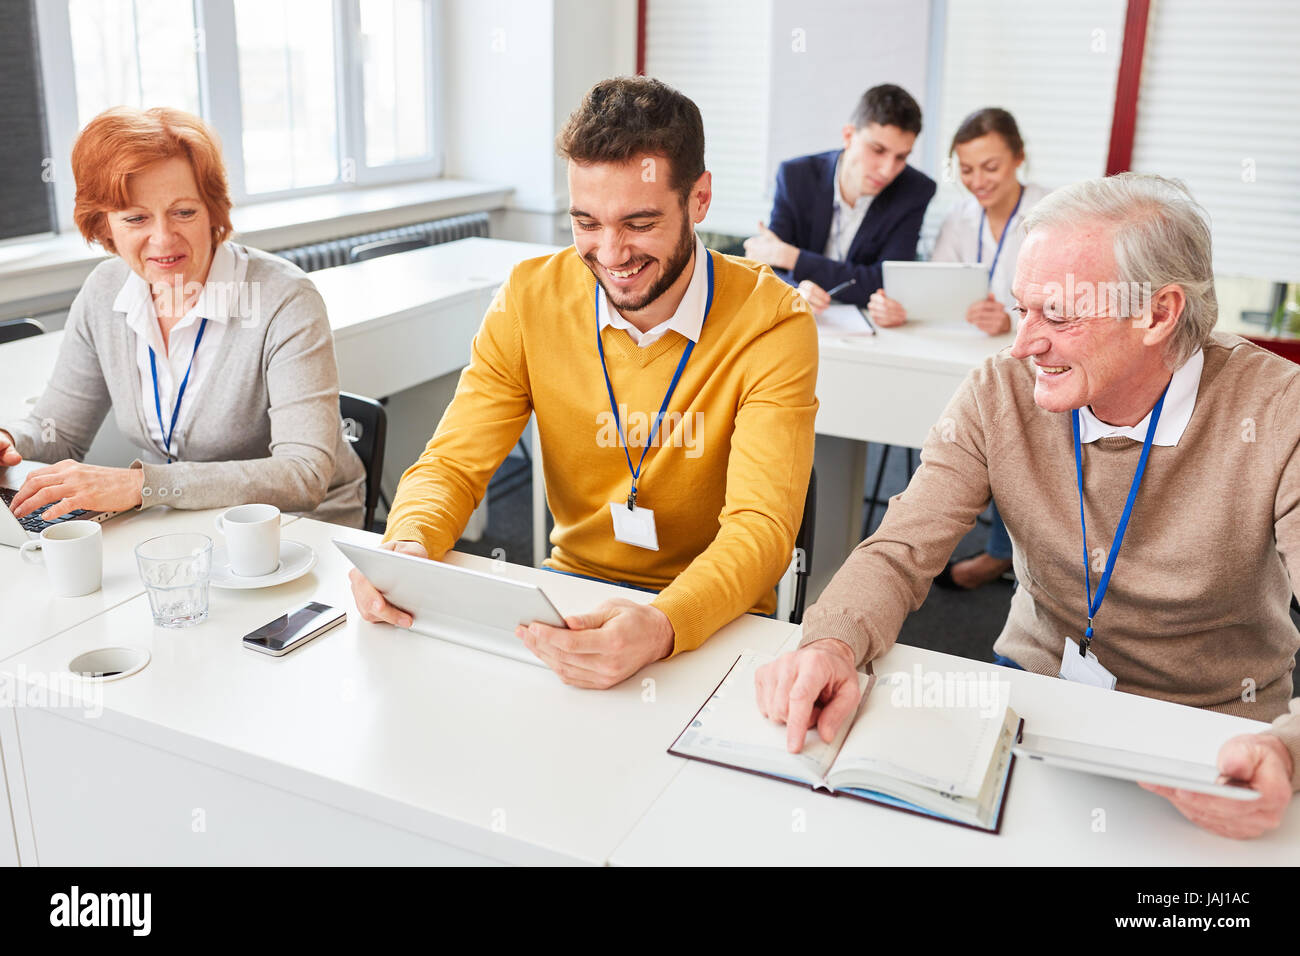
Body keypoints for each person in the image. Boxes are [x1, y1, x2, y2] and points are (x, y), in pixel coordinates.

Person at [754, 173, 1300, 840]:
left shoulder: (1279, 413)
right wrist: (833, 641)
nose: (1022, 344)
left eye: (1059, 316)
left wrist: (1286, 750)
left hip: (1218, 728)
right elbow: (900, 548)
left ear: (1158, 313)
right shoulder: (1000, 389)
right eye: (1022, 309)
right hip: (1035, 695)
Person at [348, 76, 818, 689]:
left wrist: (660, 623)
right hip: (569, 598)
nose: (610, 252)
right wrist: (406, 546)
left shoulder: (773, 321)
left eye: (639, 222)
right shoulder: (529, 297)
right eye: (586, 221)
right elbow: (453, 466)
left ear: (699, 199)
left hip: (713, 620)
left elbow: (761, 528)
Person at [0, 107, 365, 527]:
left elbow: (303, 474)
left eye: (184, 212)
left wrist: (143, 486)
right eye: (136, 218)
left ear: (213, 210)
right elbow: (59, 433)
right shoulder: (104, 291)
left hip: (301, 529)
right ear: (104, 225)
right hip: (187, 525)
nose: (163, 238)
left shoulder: (284, 299)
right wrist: (10, 441)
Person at [894, 108, 1050, 589]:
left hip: (1036, 358)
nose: (977, 181)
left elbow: (1065, 297)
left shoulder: (1052, 213)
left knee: (1019, 439)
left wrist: (1014, 315)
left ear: (1019, 158)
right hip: (965, 357)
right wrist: (907, 308)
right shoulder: (958, 218)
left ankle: (1012, 557)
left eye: (991, 167)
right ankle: (932, 545)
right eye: (965, 169)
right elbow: (939, 290)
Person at [742, 84, 936, 313]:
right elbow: (770, 267)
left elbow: (887, 283)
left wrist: (794, 258)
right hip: (801, 318)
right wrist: (795, 288)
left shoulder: (915, 190)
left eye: (901, 157)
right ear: (849, 136)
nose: (887, 170)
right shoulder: (796, 176)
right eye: (878, 150)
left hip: (871, 331)